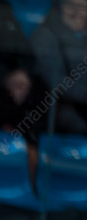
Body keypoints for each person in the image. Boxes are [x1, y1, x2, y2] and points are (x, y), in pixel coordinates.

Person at [31, 0, 87, 134]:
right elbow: (56, 81)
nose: (77, 11)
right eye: (71, 5)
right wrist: (85, 94)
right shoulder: (45, 34)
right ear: (60, 5)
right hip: (64, 110)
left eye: (83, 6)